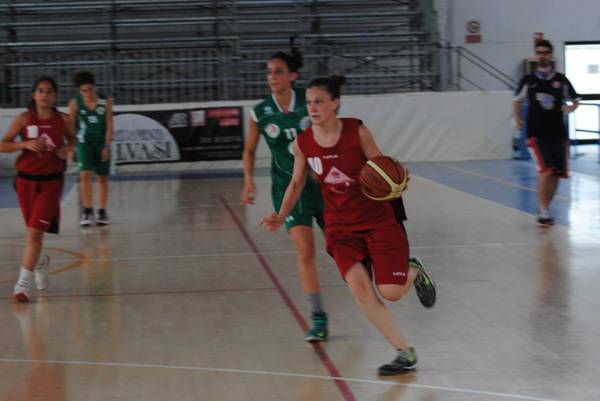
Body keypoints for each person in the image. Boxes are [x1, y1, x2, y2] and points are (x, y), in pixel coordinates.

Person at [260, 76, 436, 375]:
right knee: (361, 291)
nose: (312, 107)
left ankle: (414, 270)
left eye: (319, 102)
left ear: (335, 103)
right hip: (340, 229)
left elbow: (382, 168)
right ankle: (404, 352)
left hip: (378, 221)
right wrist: (280, 213)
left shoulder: (357, 131)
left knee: (391, 292)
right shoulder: (303, 143)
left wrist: (395, 180)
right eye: (309, 102)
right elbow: (297, 182)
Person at [241, 37, 329, 342]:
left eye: (278, 71)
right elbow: (249, 150)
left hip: (323, 187)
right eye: (268, 72)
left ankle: (393, 273)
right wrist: (249, 180)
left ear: (292, 75)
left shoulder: (311, 101)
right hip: (288, 189)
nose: (272, 77)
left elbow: (332, 132)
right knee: (305, 250)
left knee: (343, 248)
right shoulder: (260, 112)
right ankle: (318, 316)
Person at [0, 76, 76, 302]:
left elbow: (74, 141)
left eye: (49, 91)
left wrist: (69, 149)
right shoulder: (24, 119)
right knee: (33, 234)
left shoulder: (64, 120)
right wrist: (24, 144)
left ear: (55, 96)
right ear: (34, 95)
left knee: (34, 233)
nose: (45, 94)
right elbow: (3, 144)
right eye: (41, 91)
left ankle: (21, 287)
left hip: (51, 183)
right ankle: (40, 262)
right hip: (25, 182)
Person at [514, 39, 580, 226]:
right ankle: (543, 210)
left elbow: (575, 99)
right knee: (546, 170)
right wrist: (518, 120)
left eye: (545, 52)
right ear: (536, 55)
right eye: (539, 52)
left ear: (551, 55)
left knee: (557, 173)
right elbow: (517, 100)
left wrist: (572, 107)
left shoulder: (561, 79)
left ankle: (545, 209)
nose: (542, 55)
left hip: (558, 133)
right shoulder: (528, 80)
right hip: (536, 133)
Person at [68, 71, 114, 227]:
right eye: (84, 90)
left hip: (101, 143)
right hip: (83, 142)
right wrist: (71, 148)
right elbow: (70, 128)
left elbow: (110, 127)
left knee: (102, 178)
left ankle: (102, 211)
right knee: (85, 175)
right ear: (79, 91)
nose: (88, 93)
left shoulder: (105, 103)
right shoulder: (75, 104)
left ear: (94, 88)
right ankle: (87, 210)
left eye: (90, 89)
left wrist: (107, 146)